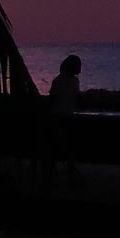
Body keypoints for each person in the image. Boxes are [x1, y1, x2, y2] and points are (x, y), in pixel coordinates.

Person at [42, 54, 82, 192]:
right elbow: (52, 101)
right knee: (57, 148)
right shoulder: (59, 81)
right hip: (57, 118)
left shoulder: (74, 81)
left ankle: (66, 173)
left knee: (67, 148)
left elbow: (74, 99)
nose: (80, 69)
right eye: (78, 66)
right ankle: (55, 175)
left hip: (68, 118)